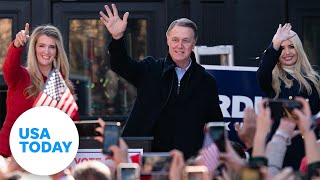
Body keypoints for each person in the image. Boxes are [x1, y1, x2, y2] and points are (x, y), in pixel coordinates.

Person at [99, 4, 223, 159]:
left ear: (194, 43)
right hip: (146, 156)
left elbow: (216, 125)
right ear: (167, 40)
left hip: (185, 161)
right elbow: (120, 65)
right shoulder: (150, 69)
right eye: (175, 39)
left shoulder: (206, 82)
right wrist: (117, 38)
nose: (180, 45)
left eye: (186, 40)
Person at [0, 23, 79, 158]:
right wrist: (16, 46)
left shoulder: (63, 84)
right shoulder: (21, 76)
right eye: (41, 45)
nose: (46, 52)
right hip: (10, 155)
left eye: (51, 47)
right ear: (34, 48)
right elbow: (9, 68)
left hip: (46, 158)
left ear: (57, 50)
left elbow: (73, 124)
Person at [256, 23, 320, 169]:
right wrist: (275, 43)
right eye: (282, 48)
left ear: (299, 49)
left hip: (308, 148)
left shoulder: (314, 80)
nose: (287, 52)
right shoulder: (272, 80)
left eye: (291, 47)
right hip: (281, 148)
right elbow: (263, 72)